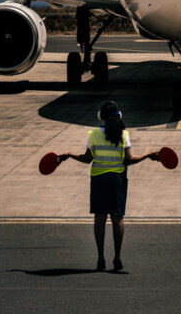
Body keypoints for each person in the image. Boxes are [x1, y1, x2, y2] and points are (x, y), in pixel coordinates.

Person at [59, 100, 158, 271]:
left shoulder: (93, 134)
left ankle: (100, 258)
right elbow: (128, 160)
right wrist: (148, 155)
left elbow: (87, 158)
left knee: (99, 218)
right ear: (119, 116)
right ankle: (117, 257)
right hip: (117, 180)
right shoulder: (124, 135)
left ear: (101, 117)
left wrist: (69, 155)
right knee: (117, 218)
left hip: (99, 180)